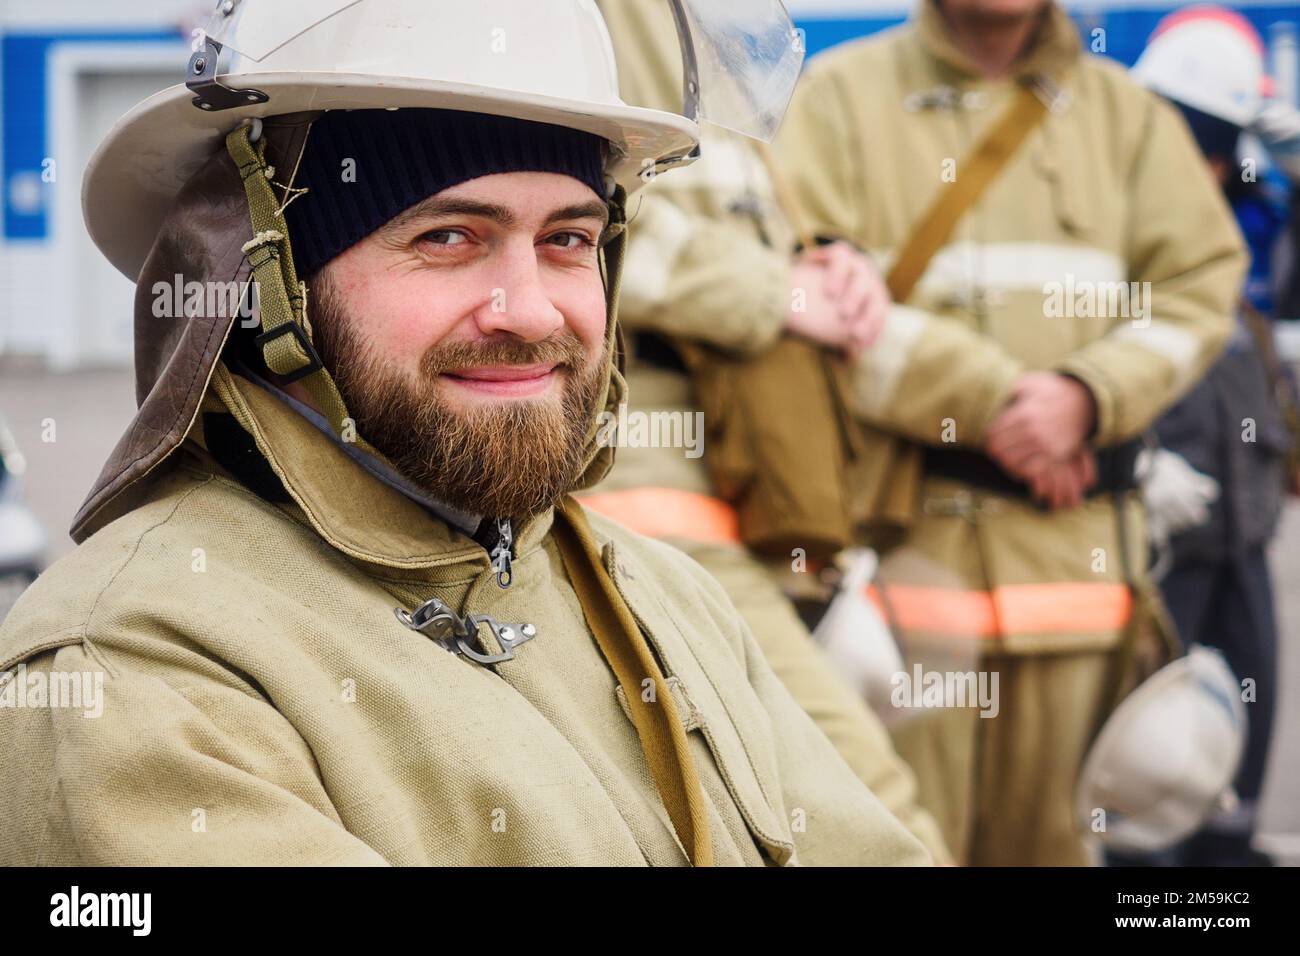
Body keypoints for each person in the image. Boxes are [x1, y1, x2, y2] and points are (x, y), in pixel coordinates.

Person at [0, 0, 930, 867]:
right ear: (272, 284)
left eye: (568, 238)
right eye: (448, 237)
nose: (529, 310)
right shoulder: (136, 670)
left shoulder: (663, 597)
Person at [775, 0, 1246, 865]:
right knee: (892, 848)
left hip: (1081, 591)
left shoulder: (1129, 118)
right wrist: (1007, 407)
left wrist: (1090, 394)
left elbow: (1200, 284)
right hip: (895, 586)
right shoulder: (837, 100)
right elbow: (803, 295)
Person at [583, 0, 952, 863]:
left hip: (744, 493)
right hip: (638, 484)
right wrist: (777, 293)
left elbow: (735, 215)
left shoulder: (714, 20)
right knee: (872, 810)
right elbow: (555, 200)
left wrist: (825, 257)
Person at [1127, 5, 1299, 867]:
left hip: (1243, 527)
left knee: (1247, 718)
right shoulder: (1117, 216)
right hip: (1168, 537)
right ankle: (1151, 883)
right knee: (1150, 731)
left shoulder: (1246, 219)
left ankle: (1226, 874)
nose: (1214, 160)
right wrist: (1134, 465)